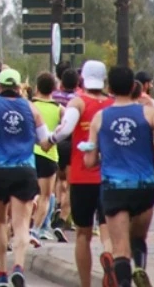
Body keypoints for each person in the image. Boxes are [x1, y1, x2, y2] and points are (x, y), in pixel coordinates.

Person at [85, 66, 154, 287]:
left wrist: (98, 157)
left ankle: (126, 280)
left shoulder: (100, 117)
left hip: (114, 188)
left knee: (120, 248)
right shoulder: (147, 112)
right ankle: (139, 267)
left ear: (109, 88)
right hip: (145, 185)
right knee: (138, 238)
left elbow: (89, 161)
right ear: (134, 87)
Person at [0, 67, 49, 287]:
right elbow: (44, 139)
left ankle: (2, 273)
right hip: (24, 169)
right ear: (18, 88)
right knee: (22, 223)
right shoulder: (31, 108)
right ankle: (19, 266)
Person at [45, 60, 113, 287]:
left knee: (83, 234)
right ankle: (109, 254)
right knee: (107, 226)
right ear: (103, 80)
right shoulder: (112, 104)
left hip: (83, 176)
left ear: (83, 79)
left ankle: (86, 283)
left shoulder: (79, 102)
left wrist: (50, 140)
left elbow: (65, 129)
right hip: (110, 177)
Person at [31, 72, 63, 242]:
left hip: (29, 153)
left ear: (37, 87)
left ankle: (23, 224)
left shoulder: (29, 105)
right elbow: (65, 130)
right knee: (46, 195)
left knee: (28, 194)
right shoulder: (59, 109)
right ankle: (35, 231)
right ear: (55, 89)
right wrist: (53, 138)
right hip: (49, 155)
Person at [49, 68, 78, 242]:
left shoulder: (53, 97)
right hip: (71, 143)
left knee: (54, 182)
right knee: (71, 183)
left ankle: (53, 208)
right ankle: (61, 220)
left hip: (54, 142)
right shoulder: (78, 100)